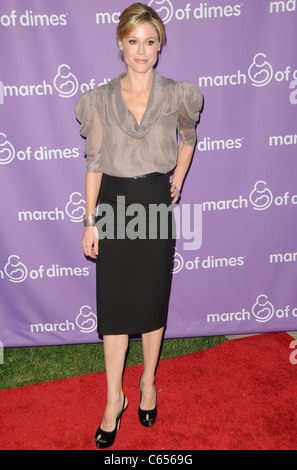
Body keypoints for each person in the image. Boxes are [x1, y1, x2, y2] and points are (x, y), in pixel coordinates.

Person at [75, 2, 203, 449]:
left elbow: (188, 136)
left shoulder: (177, 94)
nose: (141, 50)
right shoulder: (100, 99)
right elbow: (93, 162)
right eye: (133, 41)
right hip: (112, 201)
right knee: (113, 311)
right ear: (120, 44)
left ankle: (148, 382)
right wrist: (90, 221)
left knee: (151, 303)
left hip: (153, 200)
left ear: (159, 44)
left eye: (150, 41)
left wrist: (177, 181)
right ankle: (114, 399)